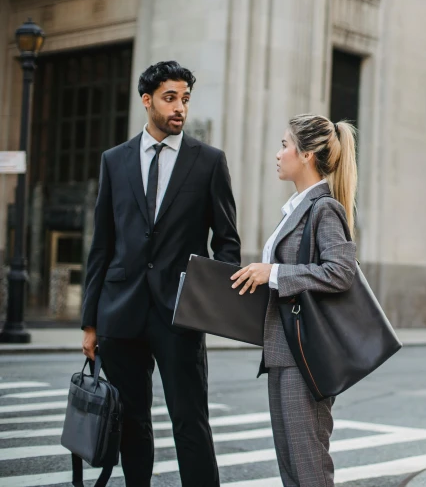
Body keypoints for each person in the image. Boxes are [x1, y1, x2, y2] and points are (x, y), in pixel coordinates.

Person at [81, 60, 241, 487]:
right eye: (170, 98)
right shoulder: (114, 161)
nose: (180, 109)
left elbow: (226, 240)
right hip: (121, 311)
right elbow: (102, 244)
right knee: (132, 423)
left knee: (191, 421)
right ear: (147, 101)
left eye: (185, 99)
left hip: (180, 314)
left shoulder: (208, 162)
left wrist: (213, 303)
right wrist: (90, 321)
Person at [230, 114, 358, 487]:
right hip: (283, 350)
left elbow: (341, 272)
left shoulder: (324, 208)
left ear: (306, 155)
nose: (278, 153)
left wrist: (272, 272)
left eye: (285, 145)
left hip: (306, 356)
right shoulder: (297, 208)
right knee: (291, 466)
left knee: (309, 466)